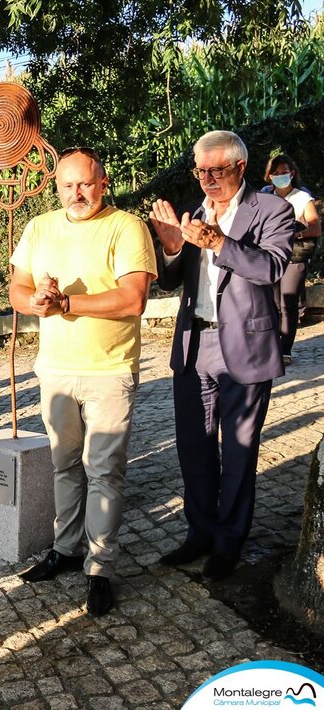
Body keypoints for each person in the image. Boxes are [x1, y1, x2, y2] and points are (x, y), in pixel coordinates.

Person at [11, 148, 156, 617]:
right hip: (54, 368)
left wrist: (67, 305)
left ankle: (100, 567)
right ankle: (67, 548)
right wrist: (34, 300)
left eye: (86, 184)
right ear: (56, 186)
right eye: (67, 185)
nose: (76, 193)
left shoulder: (126, 227)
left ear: (103, 181)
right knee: (63, 466)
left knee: (104, 470)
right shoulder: (39, 227)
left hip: (109, 369)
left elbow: (133, 298)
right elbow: (17, 287)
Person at [150, 130, 296, 581]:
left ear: (240, 168)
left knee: (238, 450)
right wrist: (173, 245)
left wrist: (218, 243)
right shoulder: (193, 213)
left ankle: (229, 541)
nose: (207, 178)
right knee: (194, 447)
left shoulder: (273, 209)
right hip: (194, 344)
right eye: (201, 170)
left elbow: (270, 267)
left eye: (216, 170)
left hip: (245, 346)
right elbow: (173, 282)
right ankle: (200, 532)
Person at [261, 155, 320, 365]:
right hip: (270, 256)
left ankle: (285, 350)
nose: (280, 176)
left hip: (294, 257)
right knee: (273, 304)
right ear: (269, 175)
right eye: (275, 173)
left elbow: (315, 227)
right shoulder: (265, 195)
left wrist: (295, 234)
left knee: (288, 303)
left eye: (284, 172)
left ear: (292, 173)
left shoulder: (302, 198)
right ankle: (273, 346)